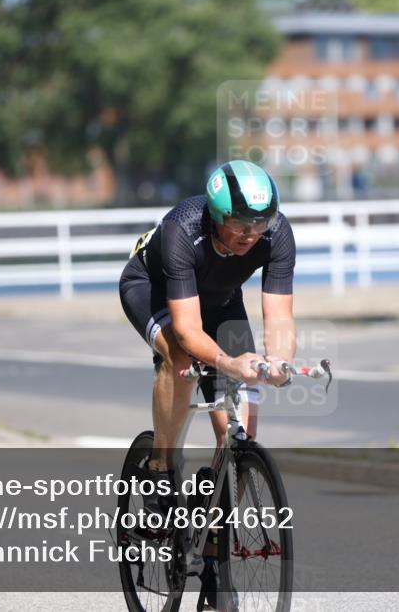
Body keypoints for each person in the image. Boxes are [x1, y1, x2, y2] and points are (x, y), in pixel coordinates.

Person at [119, 160, 296, 475]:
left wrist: (279, 362)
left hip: (221, 301)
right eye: (240, 224)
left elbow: (280, 316)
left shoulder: (277, 232)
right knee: (181, 358)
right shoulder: (182, 229)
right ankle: (160, 468)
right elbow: (187, 330)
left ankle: (220, 501)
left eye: (260, 223)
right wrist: (228, 363)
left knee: (242, 436)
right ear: (217, 215)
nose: (251, 234)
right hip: (153, 290)